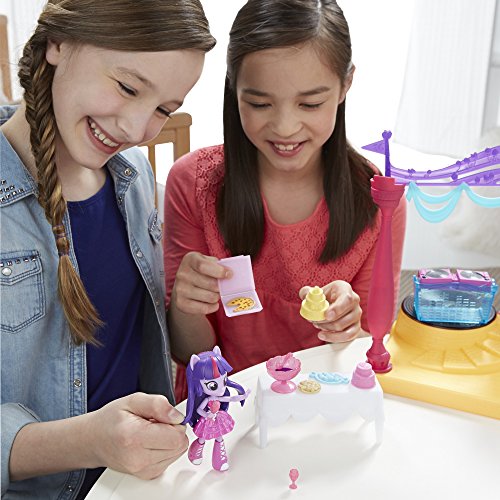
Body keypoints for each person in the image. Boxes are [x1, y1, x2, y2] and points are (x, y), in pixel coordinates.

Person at [0, 0, 215, 498]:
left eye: (163, 109)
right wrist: (90, 442)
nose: (138, 130)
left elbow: (142, 348)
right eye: (128, 87)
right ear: (58, 43)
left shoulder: (133, 178)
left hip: (140, 484)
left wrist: (184, 303)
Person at [164, 0, 406, 402]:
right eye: (260, 104)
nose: (285, 127)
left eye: (310, 104)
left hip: (325, 402)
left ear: (345, 85)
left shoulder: (378, 199)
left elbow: (366, 352)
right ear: (233, 88)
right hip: (225, 406)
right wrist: (186, 306)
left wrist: (352, 326)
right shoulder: (193, 182)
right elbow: (189, 352)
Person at [183, 346, 249, 471]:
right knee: (203, 437)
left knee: (219, 437)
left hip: (217, 419)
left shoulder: (219, 397)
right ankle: (195, 453)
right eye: (213, 385)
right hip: (207, 420)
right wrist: (206, 415)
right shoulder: (207, 399)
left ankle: (220, 460)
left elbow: (230, 399)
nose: (221, 389)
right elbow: (199, 410)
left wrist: (242, 396)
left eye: (223, 380)